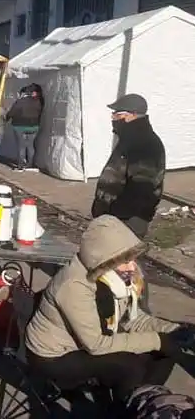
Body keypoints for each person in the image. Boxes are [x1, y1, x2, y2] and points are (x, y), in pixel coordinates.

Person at [25, 215, 194, 408]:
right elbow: (96, 345)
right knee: (128, 365)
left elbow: (132, 319)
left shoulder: (115, 279)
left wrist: (174, 331)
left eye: (132, 259)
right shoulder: (74, 286)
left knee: (166, 351)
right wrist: (157, 339)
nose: (132, 267)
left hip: (85, 342)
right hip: (54, 356)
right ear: (103, 260)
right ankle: (126, 408)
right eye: (125, 261)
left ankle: (143, 402)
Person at [91, 94, 165, 239]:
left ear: (132, 115)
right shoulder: (130, 140)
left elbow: (143, 187)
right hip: (115, 218)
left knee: (121, 260)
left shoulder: (144, 143)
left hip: (126, 221)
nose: (113, 118)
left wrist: (120, 216)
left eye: (117, 114)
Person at [6, 84, 44, 171]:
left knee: (21, 146)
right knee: (30, 146)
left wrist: (7, 118)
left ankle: (20, 166)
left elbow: (12, 112)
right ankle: (30, 165)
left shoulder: (20, 101)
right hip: (34, 126)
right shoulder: (39, 101)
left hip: (19, 126)